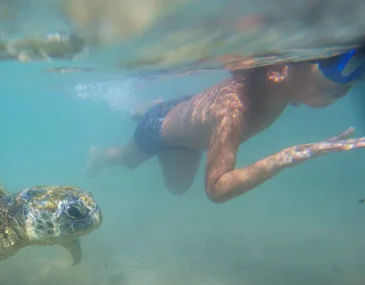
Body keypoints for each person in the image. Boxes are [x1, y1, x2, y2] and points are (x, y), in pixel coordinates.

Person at [86, 48, 365, 203]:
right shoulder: (234, 112)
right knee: (130, 162)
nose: (342, 90)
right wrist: (284, 158)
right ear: (278, 71)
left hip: (191, 117)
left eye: (344, 89)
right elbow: (217, 189)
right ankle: (99, 155)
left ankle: (159, 107)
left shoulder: (284, 92)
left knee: (179, 185)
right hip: (159, 131)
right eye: (327, 85)